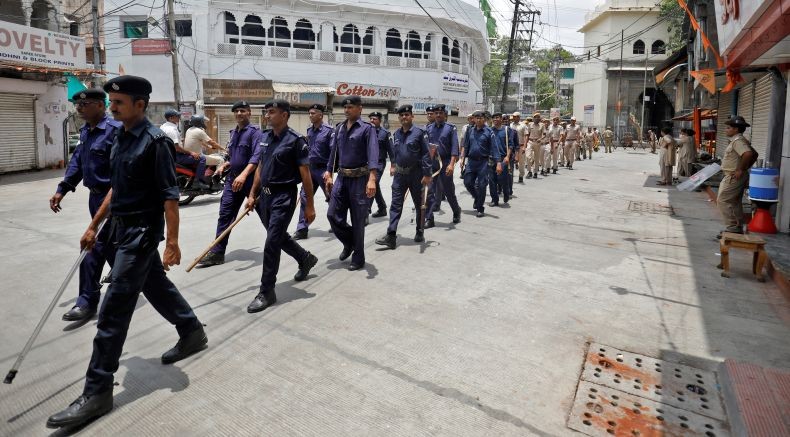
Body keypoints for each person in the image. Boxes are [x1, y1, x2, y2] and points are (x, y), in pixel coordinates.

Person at [47, 76, 207, 430]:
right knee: (155, 285)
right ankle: (191, 330)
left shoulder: (155, 143)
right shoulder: (118, 136)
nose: (112, 107)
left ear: (139, 104)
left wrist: (173, 242)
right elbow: (115, 188)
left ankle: (97, 391)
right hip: (119, 226)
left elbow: (170, 196)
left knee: (113, 312)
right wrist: (95, 225)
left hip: (141, 234)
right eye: (111, 102)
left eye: (118, 103)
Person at [50, 89, 122, 323]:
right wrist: (63, 188)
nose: (79, 108)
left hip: (115, 199)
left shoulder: (115, 131)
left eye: (86, 104)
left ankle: (87, 301)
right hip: (95, 198)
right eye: (77, 105)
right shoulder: (86, 132)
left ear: (101, 105)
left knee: (92, 248)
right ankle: (130, 280)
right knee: (113, 248)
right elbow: (78, 163)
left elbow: (122, 174)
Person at [244, 100, 318, 313]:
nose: (267, 115)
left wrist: (309, 206)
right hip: (264, 197)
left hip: (283, 196)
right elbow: (260, 167)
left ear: (284, 115)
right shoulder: (265, 137)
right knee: (276, 236)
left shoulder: (296, 140)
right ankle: (305, 258)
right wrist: (252, 194)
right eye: (266, 112)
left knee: (271, 243)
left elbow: (306, 177)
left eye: (272, 112)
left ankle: (267, 291)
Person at [196, 101, 263, 267]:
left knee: (269, 218)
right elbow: (230, 155)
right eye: (237, 111)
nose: (239, 113)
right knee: (225, 215)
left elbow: (256, 157)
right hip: (233, 181)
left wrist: (244, 175)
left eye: (243, 110)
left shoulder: (256, 133)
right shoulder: (233, 133)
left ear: (249, 113)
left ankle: (293, 250)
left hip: (250, 181)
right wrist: (224, 165)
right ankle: (217, 253)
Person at [323, 95, 379, 271]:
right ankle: (349, 242)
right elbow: (334, 153)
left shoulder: (367, 129)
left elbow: (373, 154)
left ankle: (358, 257)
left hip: (359, 179)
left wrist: (372, 179)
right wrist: (328, 173)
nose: (347, 110)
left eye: (351, 107)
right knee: (332, 214)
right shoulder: (339, 128)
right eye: (345, 107)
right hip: (341, 178)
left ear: (360, 108)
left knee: (358, 220)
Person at [374, 105, 433, 249]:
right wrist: (393, 165)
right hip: (400, 175)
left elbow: (426, 154)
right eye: (401, 115)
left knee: (419, 204)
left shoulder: (420, 133)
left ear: (412, 116)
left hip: (416, 175)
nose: (404, 117)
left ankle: (419, 230)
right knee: (395, 205)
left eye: (407, 115)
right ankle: (391, 235)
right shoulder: (396, 134)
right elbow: (395, 153)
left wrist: (427, 174)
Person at [293, 104, 333, 240]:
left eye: (313, 113)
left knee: (331, 197)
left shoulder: (329, 131)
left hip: (323, 170)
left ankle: (337, 223)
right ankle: (302, 229)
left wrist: (329, 171)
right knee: (305, 197)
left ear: (320, 115)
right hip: (310, 169)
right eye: (309, 113)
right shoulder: (309, 130)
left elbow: (333, 153)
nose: (310, 115)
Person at [717, 116, 757, 236]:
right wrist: (744, 168)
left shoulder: (738, 141)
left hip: (733, 176)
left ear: (736, 129)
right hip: (735, 175)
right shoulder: (739, 140)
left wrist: (741, 169)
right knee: (734, 202)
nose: (726, 130)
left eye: (729, 128)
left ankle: (733, 226)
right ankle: (737, 226)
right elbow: (754, 154)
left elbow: (749, 154)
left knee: (723, 200)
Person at [459, 110, 502, 217]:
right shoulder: (470, 131)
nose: (478, 120)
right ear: (474, 119)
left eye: (480, 118)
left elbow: (494, 148)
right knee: (467, 182)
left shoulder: (488, 132)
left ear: (484, 119)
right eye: (476, 118)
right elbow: (466, 145)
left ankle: (480, 208)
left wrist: (498, 163)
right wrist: (462, 158)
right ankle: (477, 197)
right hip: (471, 162)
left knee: (482, 185)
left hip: (483, 162)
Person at [425, 104, 461, 226]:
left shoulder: (451, 128)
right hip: (432, 163)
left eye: (441, 113)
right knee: (429, 191)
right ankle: (429, 218)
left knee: (448, 191)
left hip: (445, 163)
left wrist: (451, 164)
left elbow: (455, 148)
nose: (438, 115)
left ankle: (456, 211)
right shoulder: (429, 128)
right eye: (436, 113)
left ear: (445, 115)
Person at [489, 113, 516, 205]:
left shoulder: (507, 130)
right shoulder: (490, 130)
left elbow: (511, 144)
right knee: (492, 180)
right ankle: (494, 200)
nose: (495, 119)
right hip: (492, 158)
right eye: (493, 118)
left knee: (502, 178)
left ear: (501, 119)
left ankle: (506, 192)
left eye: (497, 118)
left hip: (503, 157)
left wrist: (508, 156)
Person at [368, 111, 391, 219]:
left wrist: (394, 165)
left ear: (380, 121)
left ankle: (365, 213)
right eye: (371, 119)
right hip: (367, 163)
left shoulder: (385, 133)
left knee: (373, 183)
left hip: (379, 163)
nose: (372, 121)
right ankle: (382, 208)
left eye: (375, 119)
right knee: (374, 185)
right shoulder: (366, 131)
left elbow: (391, 150)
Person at [525, 113, 545, 179]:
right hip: (530, 142)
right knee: (528, 156)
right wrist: (526, 143)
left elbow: (544, 134)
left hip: (537, 142)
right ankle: (529, 171)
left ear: (540, 119)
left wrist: (541, 139)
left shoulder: (542, 125)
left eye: (538, 117)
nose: (536, 118)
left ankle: (535, 172)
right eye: (535, 117)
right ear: (533, 118)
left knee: (536, 158)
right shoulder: (529, 125)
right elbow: (527, 134)